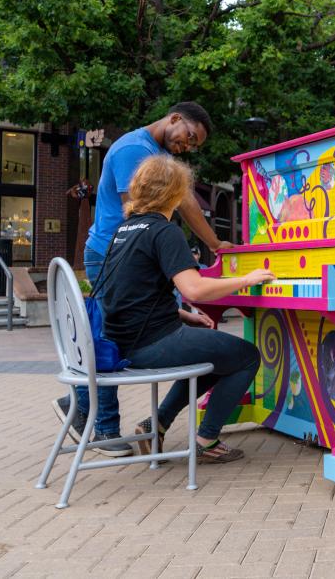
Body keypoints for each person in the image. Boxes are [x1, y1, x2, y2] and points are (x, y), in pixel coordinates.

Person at [53, 102, 234, 456]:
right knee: (110, 335)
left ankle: (78, 402)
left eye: (193, 146)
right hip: (111, 253)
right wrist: (167, 252)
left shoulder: (156, 153)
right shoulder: (135, 149)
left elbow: (185, 203)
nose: (187, 146)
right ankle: (103, 428)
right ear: (175, 119)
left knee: (116, 330)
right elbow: (136, 209)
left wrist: (213, 244)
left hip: (122, 251)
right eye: (189, 137)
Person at [102, 155, 273, 462]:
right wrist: (245, 279)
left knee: (217, 355)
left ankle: (156, 425)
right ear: (177, 193)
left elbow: (130, 294)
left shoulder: (124, 230)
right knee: (246, 356)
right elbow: (193, 288)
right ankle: (207, 439)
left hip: (123, 341)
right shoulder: (164, 231)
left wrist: (184, 315)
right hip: (150, 344)